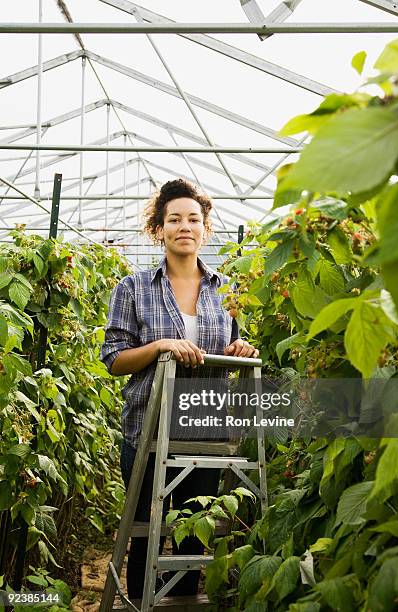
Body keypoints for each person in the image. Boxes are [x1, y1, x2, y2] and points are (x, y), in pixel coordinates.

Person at [100, 178, 259, 600]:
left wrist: (241, 347)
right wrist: (158, 346)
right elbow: (114, 359)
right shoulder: (132, 288)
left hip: (203, 429)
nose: (184, 226)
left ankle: (183, 603)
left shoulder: (226, 291)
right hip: (146, 427)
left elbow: (232, 347)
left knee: (194, 531)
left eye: (193, 218)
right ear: (160, 228)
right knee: (145, 529)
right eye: (174, 219)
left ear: (205, 228)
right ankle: (139, 604)